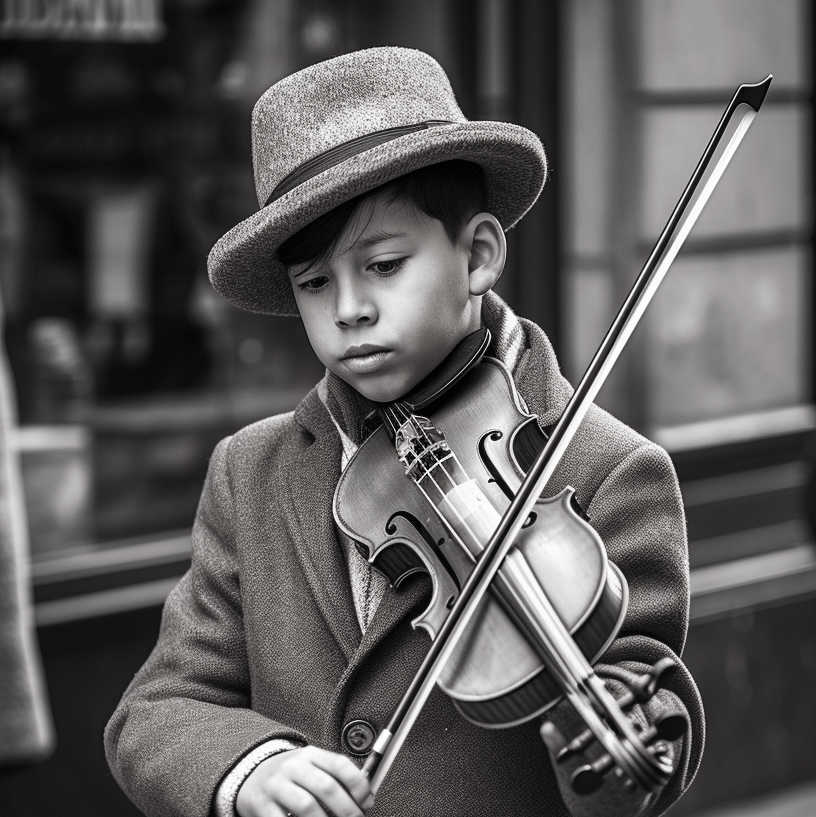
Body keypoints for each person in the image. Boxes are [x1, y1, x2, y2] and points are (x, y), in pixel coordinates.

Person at [104, 47, 703, 817]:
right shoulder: (249, 471)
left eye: (383, 265)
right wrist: (245, 767)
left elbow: (654, 721)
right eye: (315, 283)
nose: (349, 308)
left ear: (478, 254)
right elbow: (155, 709)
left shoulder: (605, 468)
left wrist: (608, 738)